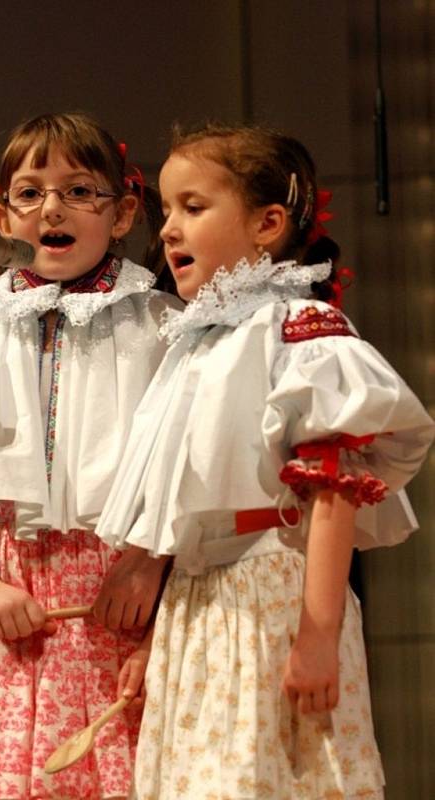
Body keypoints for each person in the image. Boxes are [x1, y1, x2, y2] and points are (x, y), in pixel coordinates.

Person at [97, 123, 435, 799]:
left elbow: (332, 490)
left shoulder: (296, 331)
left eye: (193, 208)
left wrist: (318, 634)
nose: (168, 229)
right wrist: (154, 640)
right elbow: (183, 503)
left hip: (269, 595)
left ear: (268, 224)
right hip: (200, 602)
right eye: (166, 210)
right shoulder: (198, 344)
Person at [0, 112, 181, 800]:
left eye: (80, 190)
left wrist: (147, 565)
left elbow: (192, 470)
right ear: (1, 216)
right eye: (31, 193)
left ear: (123, 214)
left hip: (127, 599)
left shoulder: (163, 328)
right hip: (6, 603)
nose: (52, 208)